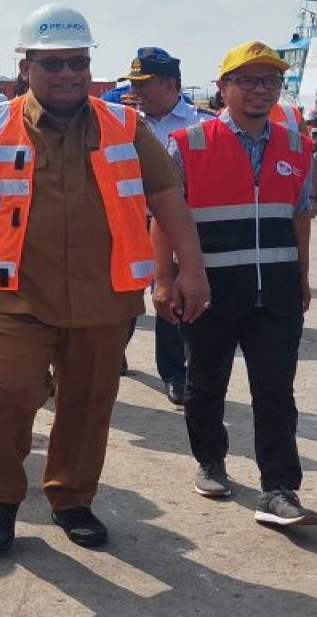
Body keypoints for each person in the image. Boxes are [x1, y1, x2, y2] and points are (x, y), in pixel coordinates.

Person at [0, 4, 209, 554]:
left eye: (77, 63)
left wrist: (190, 270)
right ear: (26, 65)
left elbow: (167, 199)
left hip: (104, 296)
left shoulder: (126, 125)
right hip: (15, 295)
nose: (67, 75)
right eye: (53, 64)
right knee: (8, 395)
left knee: (88, 403)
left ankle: (72, 499)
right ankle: (2, 499)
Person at [159, 40, 317, 528]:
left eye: (270, 81)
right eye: (247, 80)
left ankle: (280, 488)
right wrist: (165, 280)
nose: (260, 90)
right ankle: (210, 460)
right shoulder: (189, 143)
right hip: (208, 290)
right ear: (222, 87)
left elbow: (300, 216)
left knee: (276, 391)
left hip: (277, 289)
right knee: (205, 382)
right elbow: (162, 218)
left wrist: (303, 276)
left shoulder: (299, 145)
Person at [121, 46, 215, 405]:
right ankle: (114, 351)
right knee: (122, 294)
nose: (137, 91)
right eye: (134, 83)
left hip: (176, 222)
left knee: (172, 296)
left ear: (172, 83)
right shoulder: (124, 122)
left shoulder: (202, 125)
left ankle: (175, 373)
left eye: (145, 83)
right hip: (129, 221)